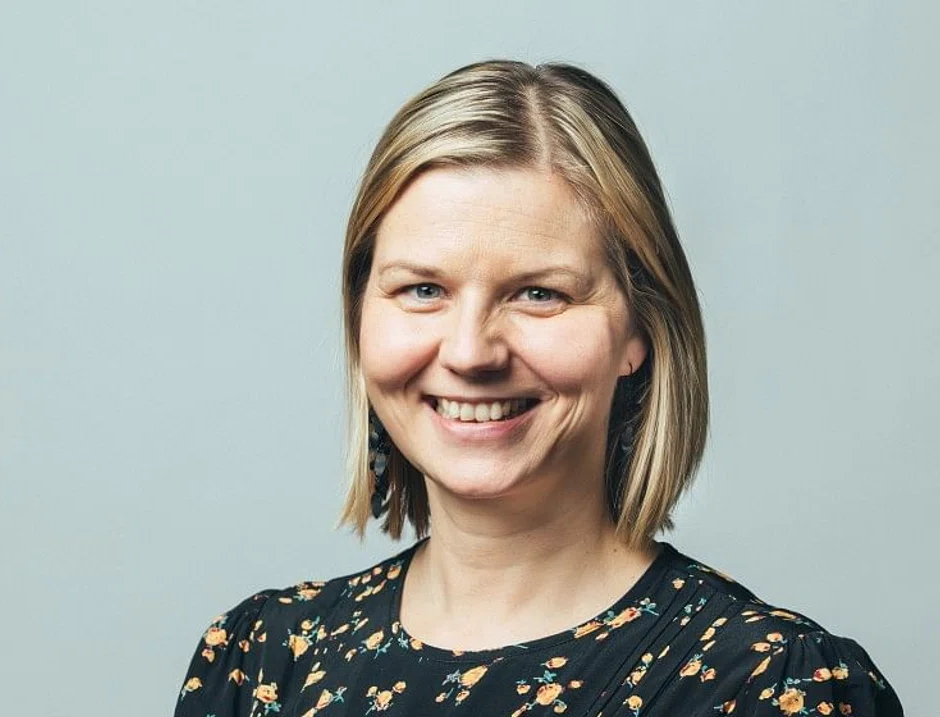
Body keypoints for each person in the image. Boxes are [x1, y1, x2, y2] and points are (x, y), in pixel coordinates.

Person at [173, 60, 903, 716]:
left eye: (539, 294)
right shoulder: (263, 662)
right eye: (423, 289)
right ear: (360, 315)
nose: (470, 352)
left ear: (639, 330)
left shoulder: (771, 686)